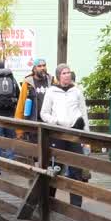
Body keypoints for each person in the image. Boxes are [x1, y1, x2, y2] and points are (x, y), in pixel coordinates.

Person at [41, 63, 91, 207]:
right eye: (64, 73)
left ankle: (76, 207)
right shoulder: (51, 91)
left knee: (76, 170)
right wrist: (54, 121)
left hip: (75, 133)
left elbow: (83, 112)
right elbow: (44, 113)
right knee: (54, 168)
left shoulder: (76, 91)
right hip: (58, 133)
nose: (67, 75)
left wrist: (87, 135)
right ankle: (49, 203)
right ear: (58, 76)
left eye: (69, 72)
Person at [15, 58, 52, 123]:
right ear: (34, 69)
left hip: (49, 123)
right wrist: (19, 130)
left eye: (44, 65)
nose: (42, 68)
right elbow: (21, 104)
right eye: (39, 66)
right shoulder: (28, 83)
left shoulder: (52, 81)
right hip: (33, 123)